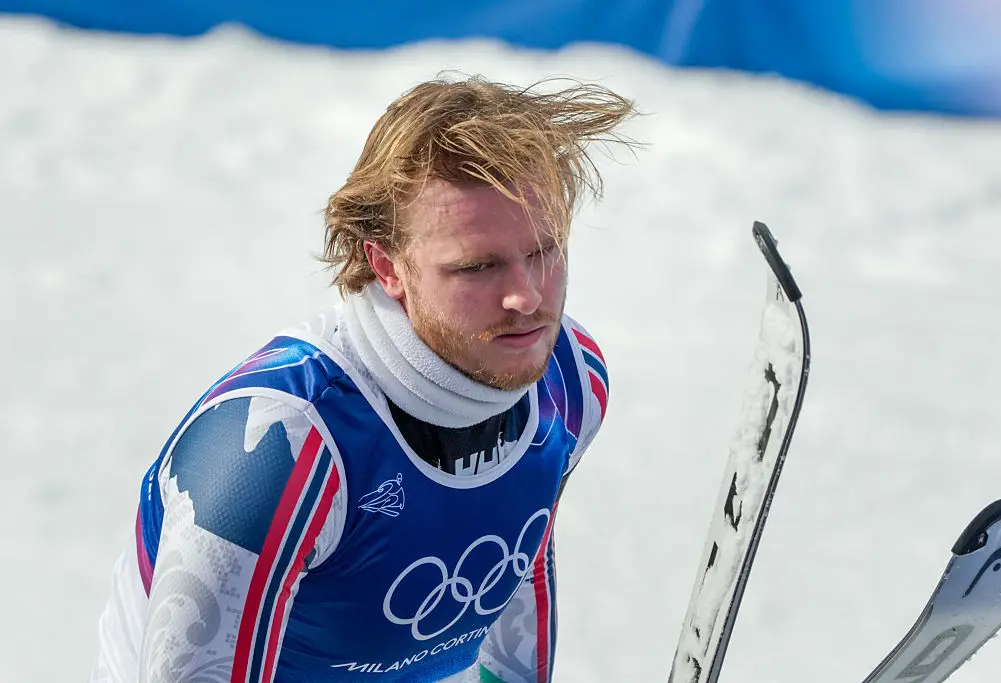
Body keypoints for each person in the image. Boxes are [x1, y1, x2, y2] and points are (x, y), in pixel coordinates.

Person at [90, 74, 636, 683]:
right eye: (478, 266)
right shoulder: (276, 449)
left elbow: (516, 563)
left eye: (544, 251)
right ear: (388, 266)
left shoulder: (569, 379)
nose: (527, 297)